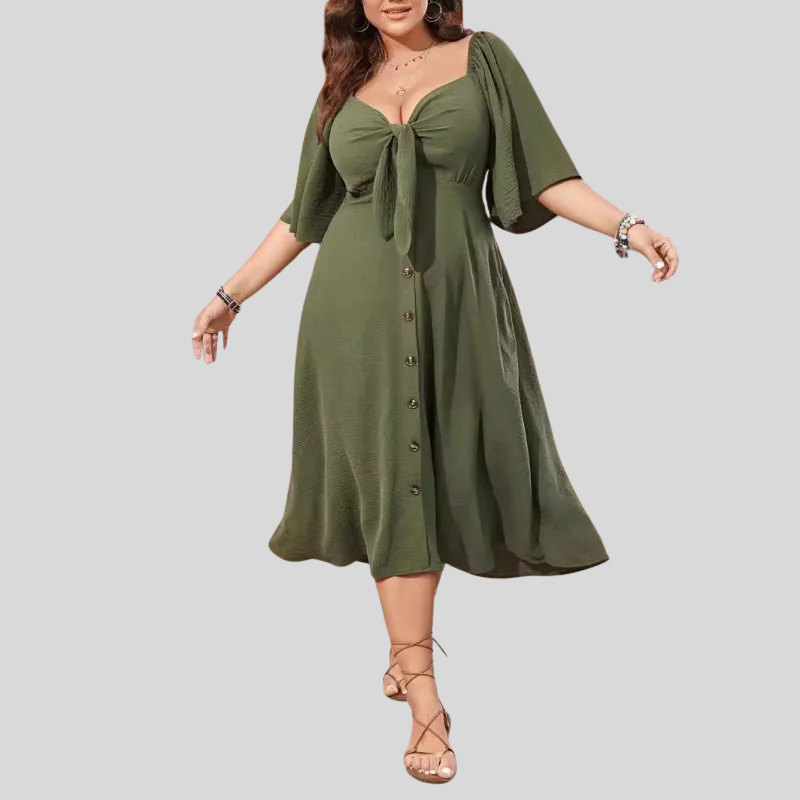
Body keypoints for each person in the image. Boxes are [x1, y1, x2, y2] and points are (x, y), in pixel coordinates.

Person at [191, 0, 679, 785]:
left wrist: (627, 225)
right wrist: (231, 295)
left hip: (459, 300)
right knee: (396, 479)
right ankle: (423, 693)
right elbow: (304, 213)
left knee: (437, 470)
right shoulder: (342, 79)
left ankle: (403, 656)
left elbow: (549, 173)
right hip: (353, 313)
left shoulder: (485, 57)